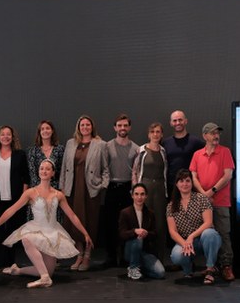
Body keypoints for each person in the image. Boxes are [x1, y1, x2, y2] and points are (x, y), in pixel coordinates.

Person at [0, 159, 94, 288]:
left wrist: (85, 233)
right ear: (38, 171)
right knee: (26, 239)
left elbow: (72, 215)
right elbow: (12, 210)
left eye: (48, 169)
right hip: (36, 229)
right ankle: (45, 278)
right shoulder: (30, 192)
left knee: (48, 271)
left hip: (52, 232)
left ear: (53, 173)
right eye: (42, 168)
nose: (44, 171)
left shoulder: (59, 195)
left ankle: (18, 270)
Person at [59, 114, 109, 271]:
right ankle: (79, 254)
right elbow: (64, 168)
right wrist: (62, 187)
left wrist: (102, 185)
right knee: (73, 223)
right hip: (72, 189)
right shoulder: (70, 143)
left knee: (89, 222)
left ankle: (87, 256)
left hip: (90, 190)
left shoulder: (100, 144)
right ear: (78, 127)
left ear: (92, 127)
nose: (85, 127)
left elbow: (106, 168)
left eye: (88, 125)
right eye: (82, 125)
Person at [190, 122, 236, 281]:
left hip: (220, 202)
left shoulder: (225, 152)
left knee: (223, 234)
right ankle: (210, 266)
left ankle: (226, 266)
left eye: (217, 133)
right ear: (205, 136)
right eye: (212, 133)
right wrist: (204, 195)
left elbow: (228, 175)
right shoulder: (197, 155)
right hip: (202, 203)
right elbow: (193, 177)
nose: (216, 136)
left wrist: (212, 191)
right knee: (206, 235)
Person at [0, 125, 30, 269]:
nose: (5, 137)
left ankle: (11, 262)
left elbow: (26, 177)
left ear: (12, 137)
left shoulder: (20, 155)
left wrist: (23, 197)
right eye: (2, 134)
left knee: (13, 230)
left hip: (15, 199)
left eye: (8, 134)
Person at [166, 169, 222, 284]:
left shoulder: (201, 199)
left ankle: (210, 269)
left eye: (187, 181)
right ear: (176, 184)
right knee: (176, 256)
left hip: (202, 239)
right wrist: (185, 243)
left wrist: (191, 237)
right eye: (181, 181)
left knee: (210, 234)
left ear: (192, 183)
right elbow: (172, 232)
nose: (185, 184)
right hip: (186, 241)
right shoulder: (171, 206)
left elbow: (208, 222)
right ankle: (188, 269)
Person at [102, 114, 139, 267]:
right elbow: (103, 167)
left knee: (127, 224)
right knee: (110, 223)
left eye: (125, 125)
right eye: (119, 125)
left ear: (129, 127)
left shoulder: (136, 148)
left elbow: (136, 171)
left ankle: (124, 257)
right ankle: (111, 257)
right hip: (112, 187)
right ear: (115, 127)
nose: (122, 128)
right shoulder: (107, 146)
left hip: (127, 189)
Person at [132, 122, 169, 266]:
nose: (155, 134)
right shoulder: (141, 150)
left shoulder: (163, 151)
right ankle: (141, 260)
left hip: (160, 191)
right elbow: (135, 171)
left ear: (162, 134)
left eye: (158, 132)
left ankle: (159, 259)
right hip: (144, 190)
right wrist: (135, 190)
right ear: (148, 134)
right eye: (153, 132)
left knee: (160, 225)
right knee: (143, 222)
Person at [118, 183, 165, 280]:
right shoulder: (125, 212)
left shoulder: (150, 213)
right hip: (130, 249)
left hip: (145, 251)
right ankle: (133, 268)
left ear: (146, 196)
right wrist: (135, 231)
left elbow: (155, 233)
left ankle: (139, 269)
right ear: (132, 195)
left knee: (160, 273)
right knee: (138, 239)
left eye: (142, 194)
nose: (139, 197)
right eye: (136, 194)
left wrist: (146, 233)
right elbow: (122, 234)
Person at [161, 110, 205, 198]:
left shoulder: (196, 142)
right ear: (171, 123)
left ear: (185, 121)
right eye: (175, 120)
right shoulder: (165, 143)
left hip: (190, 186)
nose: (178, 123)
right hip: (171, 186)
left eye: (180, 120)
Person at [26, 120, 65, 188]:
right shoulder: (33, 151)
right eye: (42, 129)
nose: (45, 131)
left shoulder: (60, 149)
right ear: (39, 132)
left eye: (47, 128)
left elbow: (62, 172)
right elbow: (32, 174)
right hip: (37, 189)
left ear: (52, 131)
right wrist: (42, 189)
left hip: (56, 189)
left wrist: (54, 189)